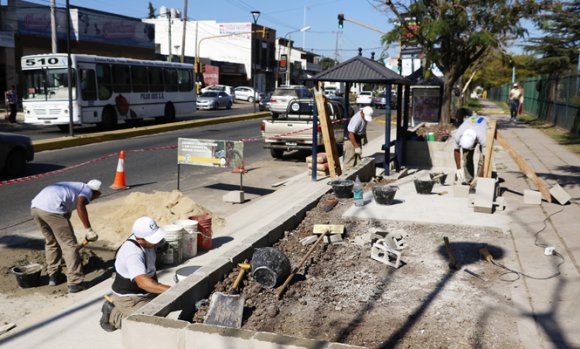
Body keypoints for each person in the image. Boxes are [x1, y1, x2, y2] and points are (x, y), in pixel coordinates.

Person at [100, 216, 170, 332]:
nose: (157, 242)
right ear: (139, 238)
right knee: (150, 324)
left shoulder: (147, 243)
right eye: (153, 239)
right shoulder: (132, 253)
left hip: (144, 292)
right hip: (130, 298)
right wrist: (170, 289)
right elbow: (143, 282)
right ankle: (113, 314)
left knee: (168, 306)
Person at [30, 180, 102, 293]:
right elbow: (80, 205)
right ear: (96, 192)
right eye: (95, 197)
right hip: (52, 209)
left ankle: (54, 275)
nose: (91, 200)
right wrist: (89, 230)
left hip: (36, 208)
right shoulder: (87, 190)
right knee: (69, 246)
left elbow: (66, 211)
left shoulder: (73, 187)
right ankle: (75, 282)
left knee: (51, 241)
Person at [453, 112, 488, 185]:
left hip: (486, 125)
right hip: (471, 125)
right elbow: (456, 150)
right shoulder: (458, 136)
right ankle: (469, 180)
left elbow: (486, 159)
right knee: (466, 157)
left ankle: (478, 181)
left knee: (482, 160)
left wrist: (479, 179)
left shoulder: (483, 138)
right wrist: (458, 168)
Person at [344, 106, 374, 170]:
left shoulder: (364, 117)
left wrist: (364, 138)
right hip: (351, 140)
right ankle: (346, 178)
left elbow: (363, 128)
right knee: (350, 161)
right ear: (362, 113)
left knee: (358, 160)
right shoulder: (357, 119)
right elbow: (350, 134)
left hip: (357, 139)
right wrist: (356, 146)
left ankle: (356, 177)